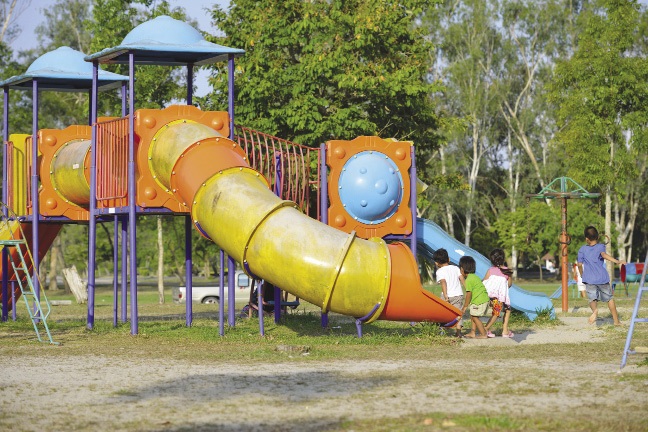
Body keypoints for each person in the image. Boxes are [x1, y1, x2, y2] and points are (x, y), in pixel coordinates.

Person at [577, 226, 625, 325]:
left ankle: (595, 311)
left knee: (592, 299)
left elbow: (579, 264)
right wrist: (617, 261)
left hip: (589, 279)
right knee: (609, 299)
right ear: (598, 237)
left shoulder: (582, 249)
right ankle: (616, 321)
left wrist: (582, 274)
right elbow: (604, 255)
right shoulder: (600, 246)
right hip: (602, 278)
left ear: (586, 238)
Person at [433, 248, 465, 337]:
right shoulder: (455, 268)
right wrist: (467, 288)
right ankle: (458, 333)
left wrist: (446, 296)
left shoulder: (439, 271)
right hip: (458, 294)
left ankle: (442, 330)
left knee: (442, 313)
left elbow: (443, 282)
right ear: (449, 259)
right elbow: (461, 278)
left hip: (447, 296)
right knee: (458, 313)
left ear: (436, 263)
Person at [483, 248, 514, 338]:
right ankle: (486, 329)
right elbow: (509, 284)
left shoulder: (490, 270)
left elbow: (485, 282)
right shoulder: (507, 271)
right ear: (503, 259)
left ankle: (504, 330)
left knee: (502, 311)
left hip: (490, 296)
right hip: (500, 297)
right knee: (502, 311)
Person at [459, 255, 490, 339]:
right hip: (483, 299)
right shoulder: (474, 277)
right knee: (473, 315)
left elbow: (469, 293)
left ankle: (483, 334)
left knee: (475, 317)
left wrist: (465, 306)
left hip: (479, 301)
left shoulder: (468, 279)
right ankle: (473, 332)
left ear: (462, 269)